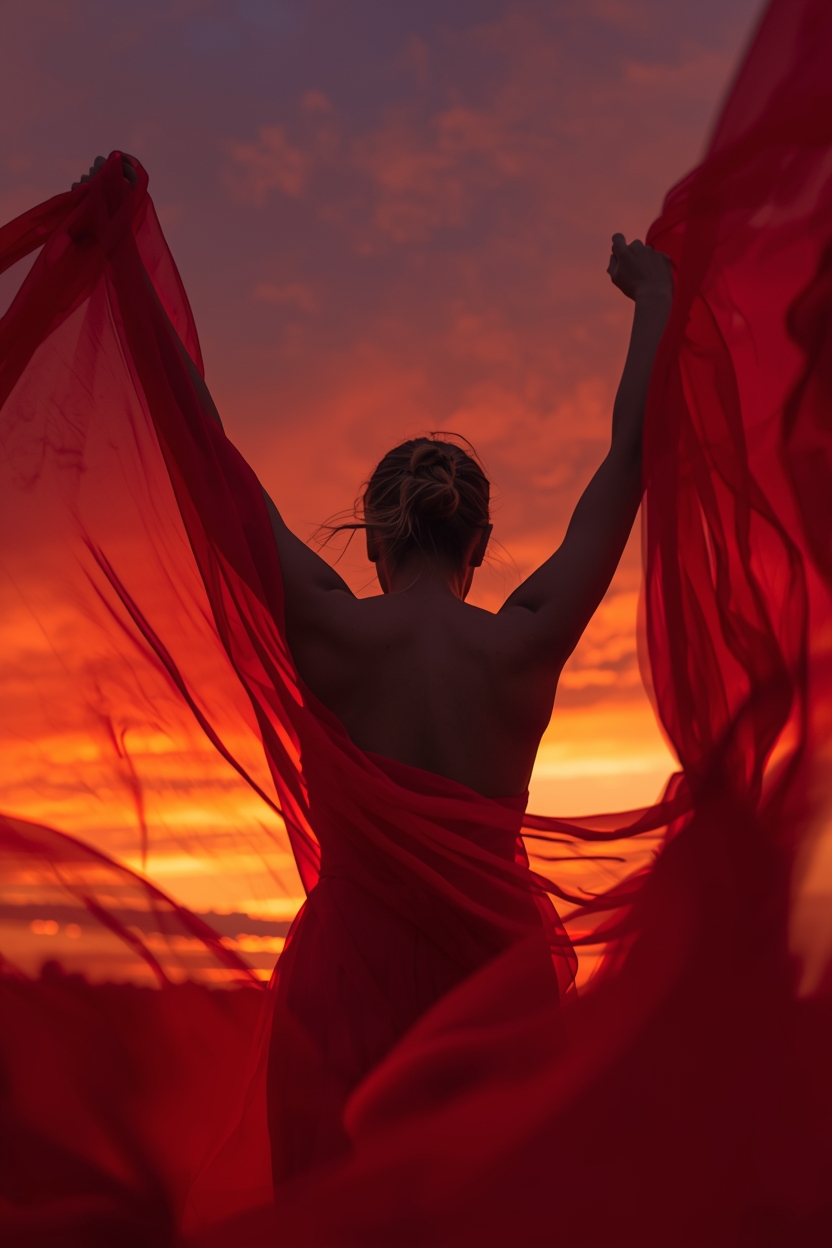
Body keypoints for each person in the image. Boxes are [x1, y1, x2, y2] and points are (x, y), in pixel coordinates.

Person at [73, 154, 672, 1182]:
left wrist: (124, 256)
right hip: (497, 984)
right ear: (479, 544)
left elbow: (204, 447)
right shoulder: (525, 641)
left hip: (346, 980)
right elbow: (629, 460)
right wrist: (653, 300)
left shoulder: (329, 627)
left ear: (372, 538)